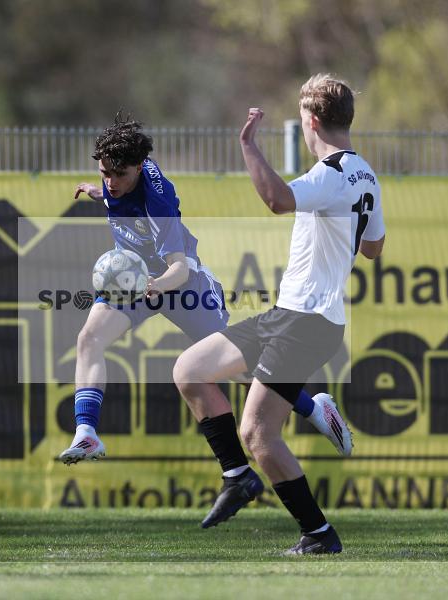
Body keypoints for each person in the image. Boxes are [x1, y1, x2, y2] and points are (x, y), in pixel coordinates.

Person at [59, 113, 353, 469]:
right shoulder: (117, 173)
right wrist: (98, 192)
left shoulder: (158, 202)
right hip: (131, 278)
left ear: (138, 168)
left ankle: (314, 408)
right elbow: (116, 197)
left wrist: (153, 286)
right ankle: (87, 433)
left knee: (235, 369)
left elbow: (179, 269)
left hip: (181, 284)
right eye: (105, 172)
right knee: (89, 338)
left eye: (119, 175)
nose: (110, 181)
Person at [173, 74, 384, 554]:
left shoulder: (330, 173)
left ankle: (319, 534)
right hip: (289, 314)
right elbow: (373, 247)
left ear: (310, 122)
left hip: (307, 323)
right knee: (190, 369)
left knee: (258, 433)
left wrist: (249, 146)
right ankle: (239, 477)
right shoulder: (365, 174)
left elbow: (276, 200)